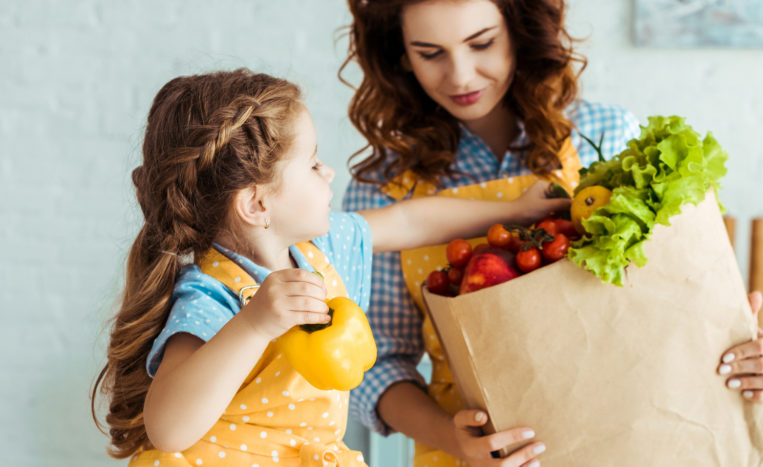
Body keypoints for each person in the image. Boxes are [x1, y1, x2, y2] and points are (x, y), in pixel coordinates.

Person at [339, 1, 763, 466]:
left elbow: (667, 308)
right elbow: (375, 363)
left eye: (482, 43)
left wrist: (746, 355)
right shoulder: (382, 188)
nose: (461, 76)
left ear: (518, 29)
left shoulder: (607, 135)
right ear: (401, 54)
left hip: (638, 433)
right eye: (430, 53)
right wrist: (458, 442)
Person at [90, 68, 569, 466]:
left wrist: (512, 213)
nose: (329, 173)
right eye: (313, 163)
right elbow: (170, 428)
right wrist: (255, 325)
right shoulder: (213, 294)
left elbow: (413, 219)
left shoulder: (324, 246)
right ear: (257, 204)